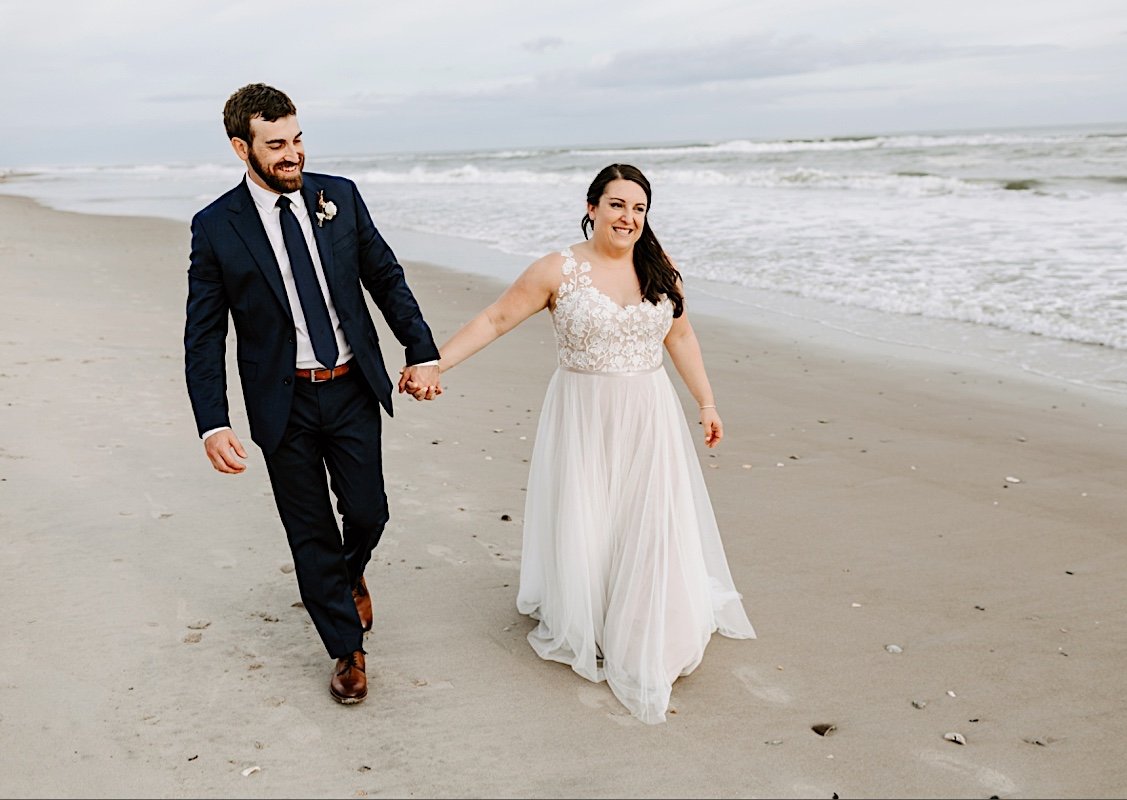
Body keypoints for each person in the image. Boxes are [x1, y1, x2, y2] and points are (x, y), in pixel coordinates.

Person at [431, 164, 755, 724]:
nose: (628, 217)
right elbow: (497, 317)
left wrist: (706, 401)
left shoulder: (660, 271)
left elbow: (681, 335)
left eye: (639, 208)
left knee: (648, 516)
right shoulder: (557, 270)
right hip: (583, 412)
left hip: (649, 411)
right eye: (617, 204)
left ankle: (647, 618)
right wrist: (440, 363)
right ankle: (594, 616)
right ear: (592, 207)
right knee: (592, 513)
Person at [183, 83, 441, 705]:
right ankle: (346, 649)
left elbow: (384, 275)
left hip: (351, 384)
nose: (292, 154)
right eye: (276, 145)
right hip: (283, 401)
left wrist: (422, 350)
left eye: (297, 139)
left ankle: (346, 576)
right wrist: (212, 422)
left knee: (369, 510)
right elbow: (203, 332)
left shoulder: (339, 197)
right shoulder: (216, 227)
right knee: (309, 529)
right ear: (241, 147)